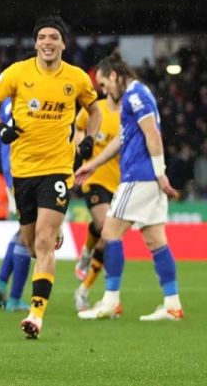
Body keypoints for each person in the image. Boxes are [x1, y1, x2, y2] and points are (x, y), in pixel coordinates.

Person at [0, 16, 101, 339]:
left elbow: (96, 110)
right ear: (36, 43)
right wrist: (1, 127)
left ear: (63, 44)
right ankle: (50, 235)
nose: (48, 42)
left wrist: (89, 138)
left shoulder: (75, 78)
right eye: (43, 37)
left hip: (59, 169)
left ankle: (36, 314)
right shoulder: (18, 73)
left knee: (45, 242)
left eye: (54, 37)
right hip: (23, 171)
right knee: (32, 244)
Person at [76, 53, 184, 321]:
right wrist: (93, 164)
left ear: (114, 75)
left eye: (103, 84)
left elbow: (153, 135)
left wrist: (160, 175)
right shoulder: (134, 97)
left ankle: (111, 300)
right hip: (146, 178)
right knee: (155, 239)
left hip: (139, 177)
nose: (104, 90)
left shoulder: (135, 95)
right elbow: (123, 139)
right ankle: (172, 304)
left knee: (110, 232)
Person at [72, 95, 121, 312]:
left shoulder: (127, 113)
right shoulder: (97, 108)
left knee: (105, 240)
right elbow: (79, 125)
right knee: (106, 227)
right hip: (93, 179)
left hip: (118, 183)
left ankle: (83, 289)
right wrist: (83, 145)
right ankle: (110, 296)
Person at [0, 97, 31, 313]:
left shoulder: (5, 104)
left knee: (24, 229)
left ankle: (1, 281)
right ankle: (14, 298)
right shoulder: (32, 97)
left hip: (10, 170)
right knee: (29, 234)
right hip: (25, 170)